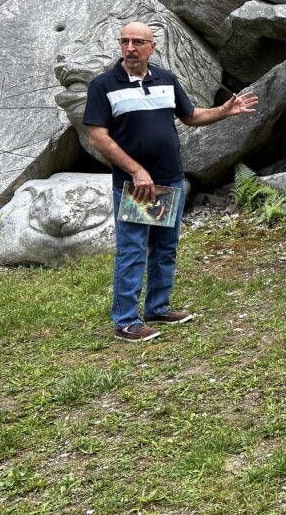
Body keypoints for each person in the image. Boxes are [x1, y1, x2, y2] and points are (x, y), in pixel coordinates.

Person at [84, 21, 258, 343]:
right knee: (133, 250)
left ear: (153, 46)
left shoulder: (166, 79)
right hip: (137, 184)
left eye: (138, 42)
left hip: (169, 178)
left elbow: (190, 116)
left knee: (165, 248)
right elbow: (97, 137)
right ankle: (125, 322)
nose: (131, 48)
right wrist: (136, 170)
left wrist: (223, 110)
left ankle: (157, 308)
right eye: (125, 42)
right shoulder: (104, 85)